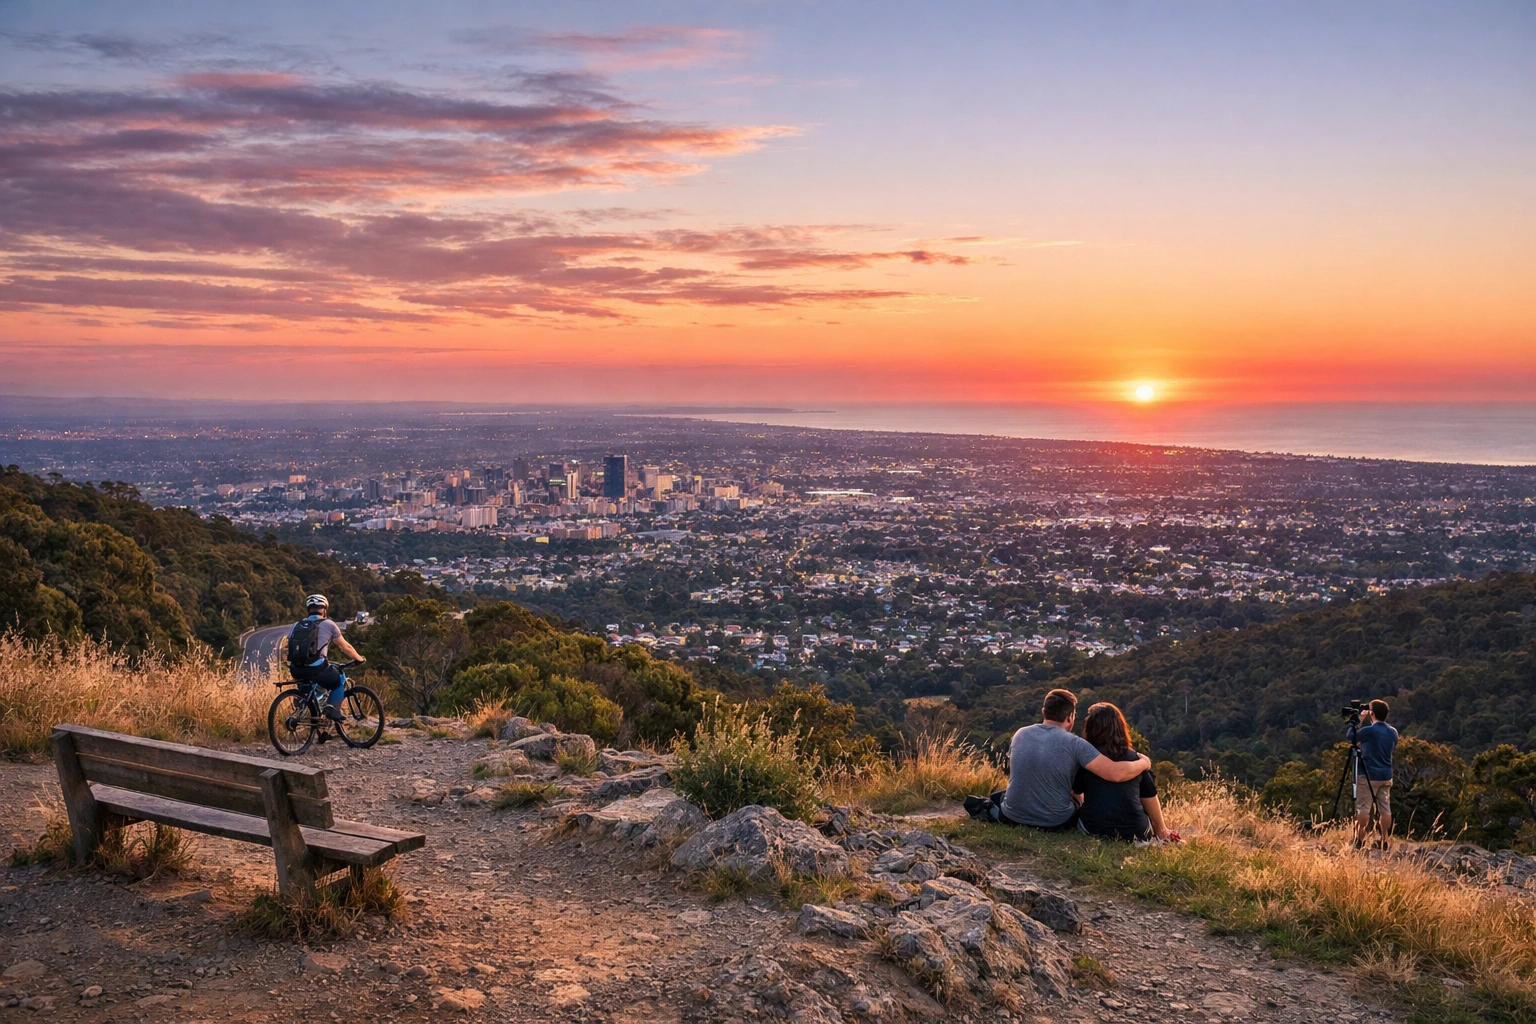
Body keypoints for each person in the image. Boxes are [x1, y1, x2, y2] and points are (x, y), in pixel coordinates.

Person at [994, 688, 1153, 830]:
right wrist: (1144, 762)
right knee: (1074, 801)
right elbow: (1115, 773)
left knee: (999, 795)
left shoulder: (1020, 734)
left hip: (1011, 815)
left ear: (1044, 711)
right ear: (1070, 717)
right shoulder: (1075, 744)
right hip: (1055, 823)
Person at [1074, 702, 1177, 842]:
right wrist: (1161, 829)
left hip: (1093, 829)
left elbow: (1076, 790)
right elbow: (1149, 795)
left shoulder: (1087, 759)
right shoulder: (1135, 759)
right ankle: (1160, 832)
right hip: (1136, 831)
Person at [287, 594, 365, 724]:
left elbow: (289, 644)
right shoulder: (329, 624)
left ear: (309, 610)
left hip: (296, 669)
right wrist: (359, 658)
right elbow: (345, 647)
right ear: (324, 610)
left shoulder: (297, 625)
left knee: (311, 689)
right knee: (338, 680)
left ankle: (305, 707)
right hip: (316, 668)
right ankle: (332, 709)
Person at [1351, 698, 1397, 849]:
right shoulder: (1393, 732)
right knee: (1385, 809)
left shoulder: (1369, 730)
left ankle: (1360, 839)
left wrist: (1358, 720)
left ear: (1372, 713)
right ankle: (1385, 840)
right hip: (1386, 775)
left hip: (1368, 774)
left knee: (1364, 808)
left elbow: (1351, 736)